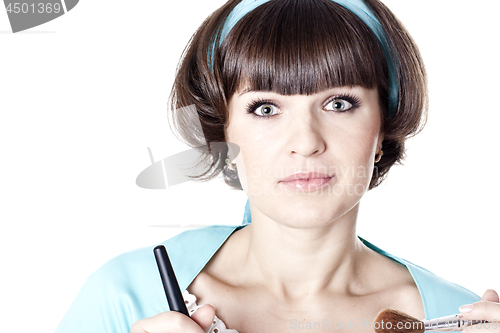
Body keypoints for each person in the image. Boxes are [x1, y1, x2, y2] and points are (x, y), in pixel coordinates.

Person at [54, 0, 498, 332]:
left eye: (339, 103)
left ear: (382, 130)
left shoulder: (457, 316)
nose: (305, 142)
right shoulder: (126, 297)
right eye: (265, 108)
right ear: (224, 130)